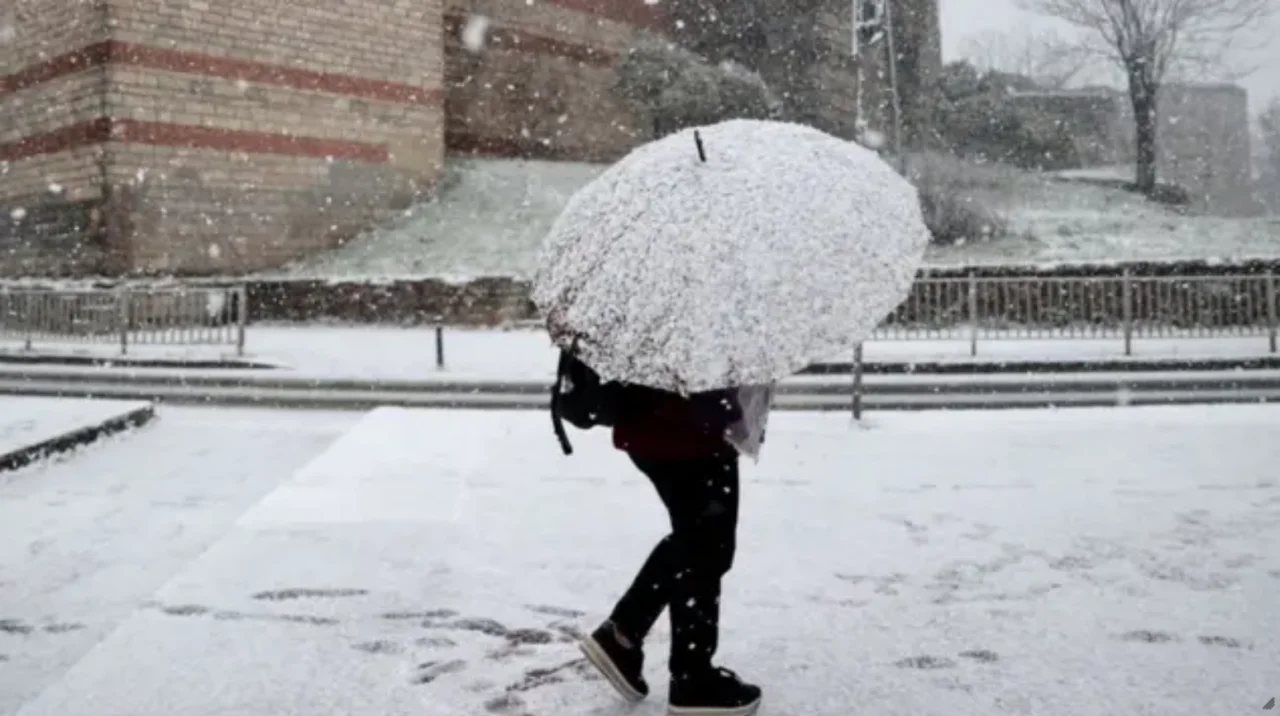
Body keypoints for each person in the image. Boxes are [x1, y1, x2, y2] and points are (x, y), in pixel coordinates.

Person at [578, 385, 763, 716]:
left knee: (697, 539)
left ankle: (623, 635)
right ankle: (692, 679)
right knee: (706, 546)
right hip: (687, 431)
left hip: (660, 424)